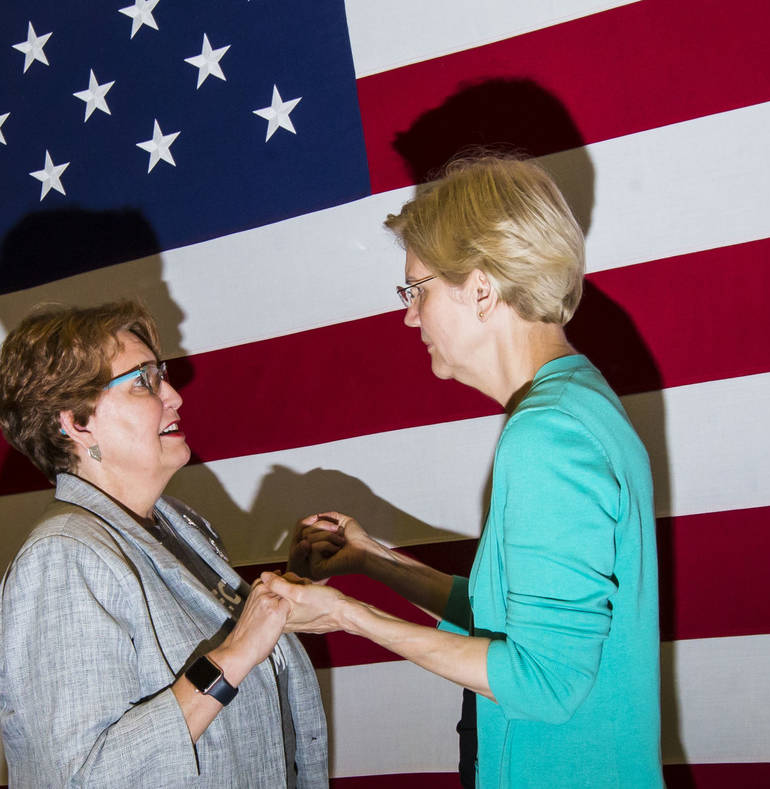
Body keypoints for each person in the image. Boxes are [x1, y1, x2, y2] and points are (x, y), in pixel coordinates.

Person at [265, 156, 662, 787]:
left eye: (416, 290)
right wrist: (374, 560)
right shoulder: (574, 405)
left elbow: (546, 682)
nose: (409, 317)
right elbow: (506, 615)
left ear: (480, 288)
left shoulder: (547, 435)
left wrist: (347, 616)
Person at [0, 301, 327, 787]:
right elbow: (86, 775)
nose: (174, 396)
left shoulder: (176, 523)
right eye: (143, 381)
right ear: (77, 423)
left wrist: (293, 584)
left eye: (160, 375)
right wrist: (235, 654)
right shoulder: (62, 559)